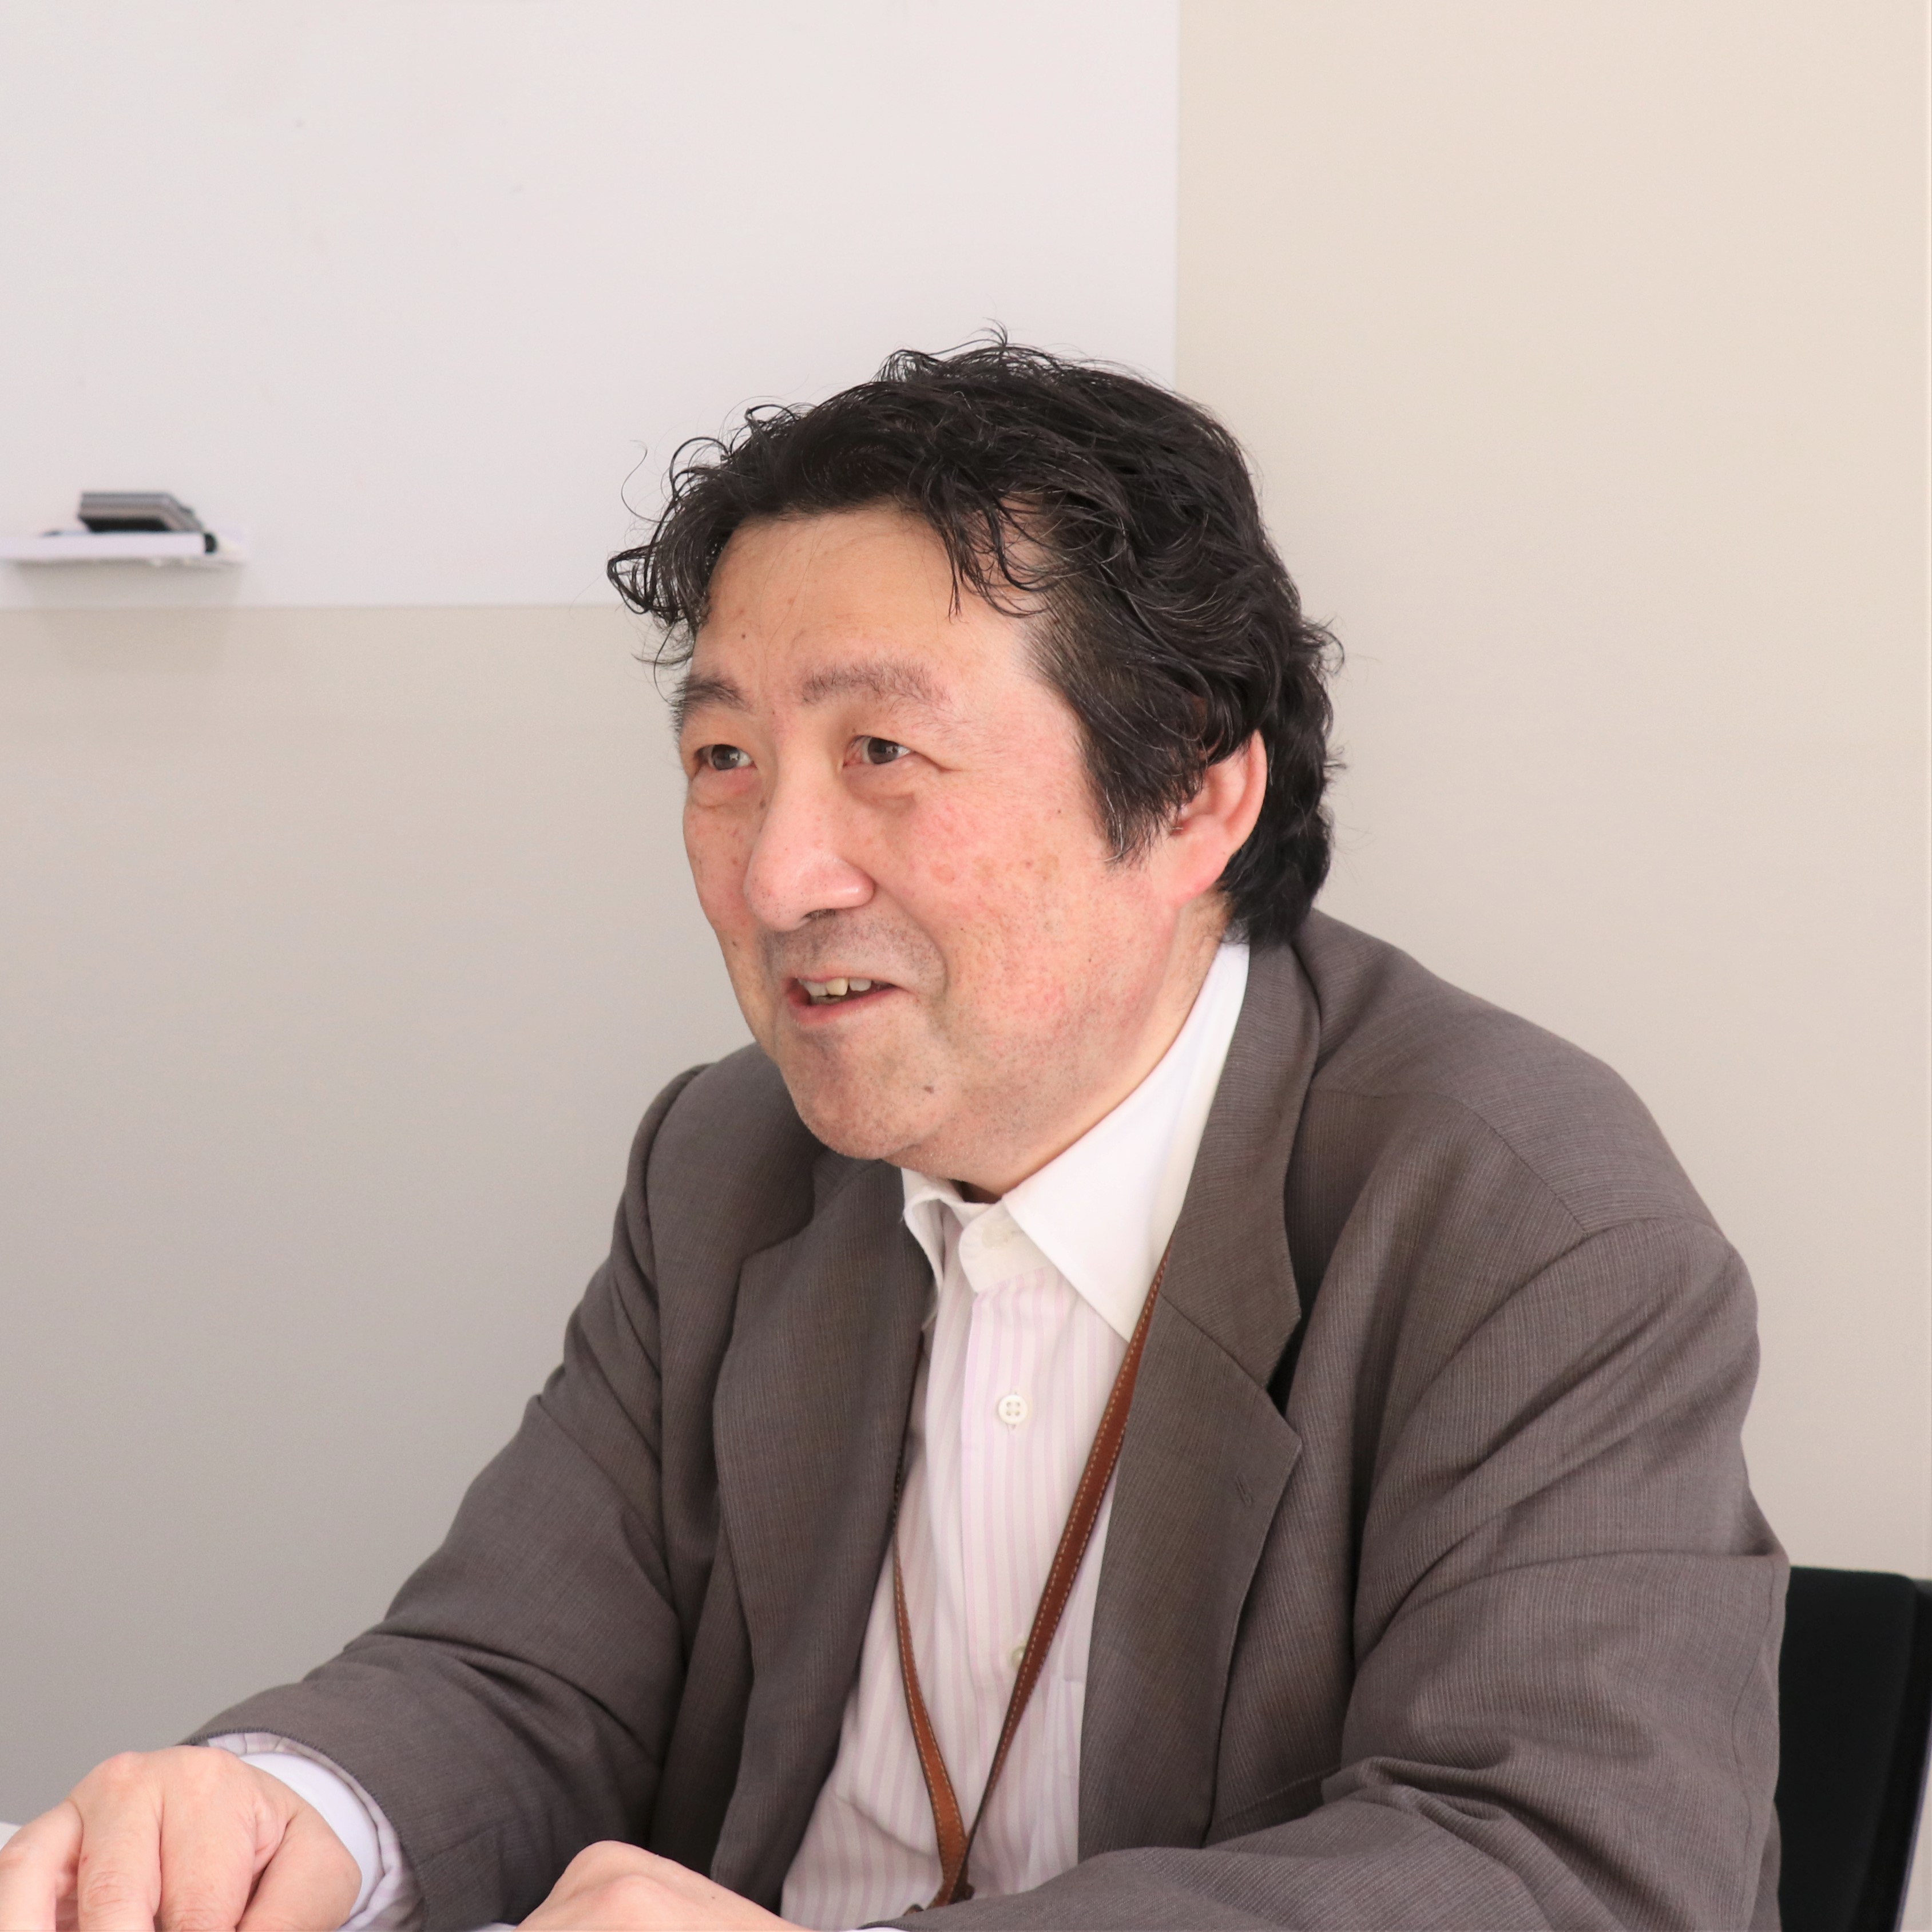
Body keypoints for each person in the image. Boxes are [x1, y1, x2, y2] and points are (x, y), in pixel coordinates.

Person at [0, 342, 1785, 1932]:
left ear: (1194, 792)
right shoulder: (728, 1162)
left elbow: (1560, 1867)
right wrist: (284, 1808)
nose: (777, 876)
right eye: (722, 759)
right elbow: (522, 1669)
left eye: (880, 752)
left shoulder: (1522, 1213)